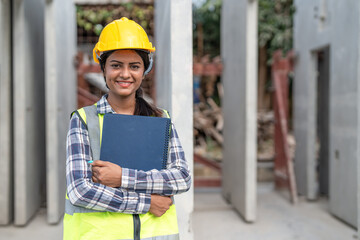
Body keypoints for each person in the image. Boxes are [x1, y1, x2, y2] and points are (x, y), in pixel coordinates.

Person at [63, 17, 191, 240]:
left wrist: (122, 177)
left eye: (134, 66)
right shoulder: (84, 120)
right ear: (103, 68)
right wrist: (147, 202)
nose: (125, 74)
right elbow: (80, 191)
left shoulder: (160, 119)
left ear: (144, 70)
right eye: (116, 65)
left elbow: (181, 178)